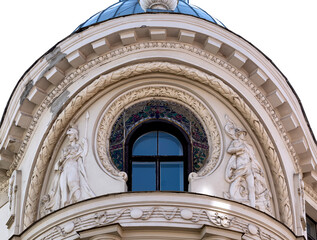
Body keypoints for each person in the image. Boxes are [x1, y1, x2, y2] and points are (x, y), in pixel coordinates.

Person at [41, 127, 95, 215]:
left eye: (70, 135)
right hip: (65, 168)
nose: (68, 137)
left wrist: (85, 144)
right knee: (63, 189)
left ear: (75, 135)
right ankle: (66, 207)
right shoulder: (65, 149)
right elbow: (60, 161)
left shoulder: (78, 146)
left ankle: (78, 201)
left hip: (73, 166)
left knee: (72, 183)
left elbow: (83, 154)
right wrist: (61, 162)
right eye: (68, 135)